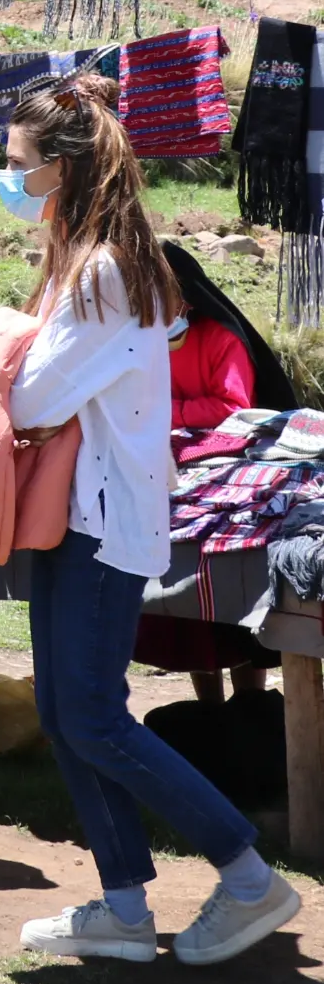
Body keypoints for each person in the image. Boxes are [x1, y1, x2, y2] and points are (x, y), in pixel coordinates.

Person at [0, 77, 299, 966]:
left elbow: (32, 394)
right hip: (80, 517)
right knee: (65, 711)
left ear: (60, 168)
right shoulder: (91, 260)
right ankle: (124, 905)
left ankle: (247, 874)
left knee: (90, 714)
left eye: (17, 164)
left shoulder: (100, 271)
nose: (7, 178)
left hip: (99, 522)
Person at [133, 242, 279, 704]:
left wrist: (167, 411)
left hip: (236, 480)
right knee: (186, 609)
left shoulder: (222, 340)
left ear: (186, 298)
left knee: (237, 602)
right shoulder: (140, 343)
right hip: (174, 484)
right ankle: (209, 710)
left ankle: (254, 706)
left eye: (158, 294)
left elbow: (235, 408)